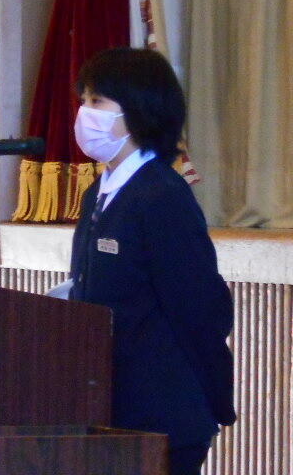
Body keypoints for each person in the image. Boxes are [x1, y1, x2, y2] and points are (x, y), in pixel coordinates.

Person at [69, 47, 236, 475]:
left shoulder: (161, 195)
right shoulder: (97, 193)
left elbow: (201, 307)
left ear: (138, 110)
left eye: (97, 101)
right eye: (83, 99)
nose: (84, 113)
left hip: (161, 416)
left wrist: (209, 391)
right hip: (108, 409)